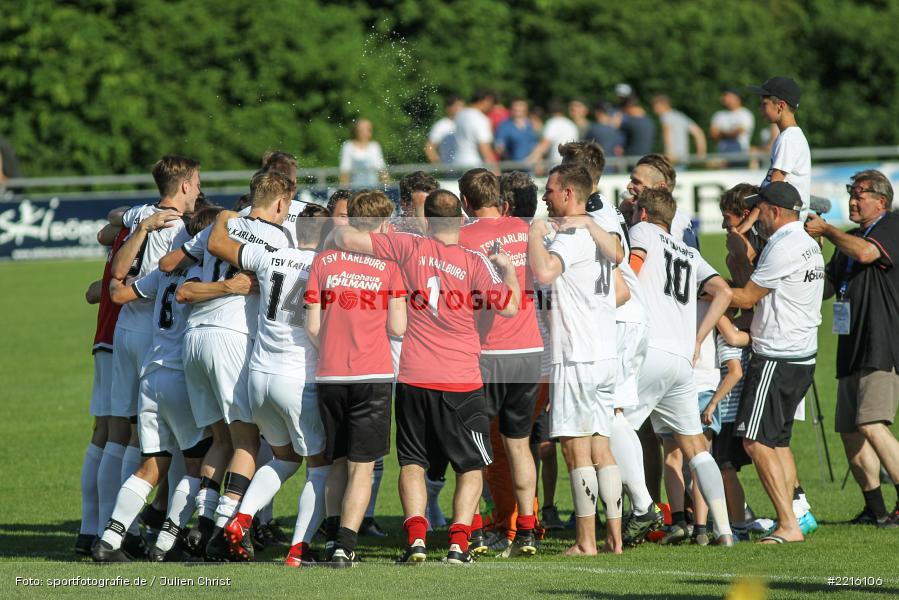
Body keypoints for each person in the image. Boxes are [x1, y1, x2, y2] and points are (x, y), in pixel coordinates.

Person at [333, 188, 520, 564]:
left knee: (413, 463)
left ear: (427, 220)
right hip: (461, 379)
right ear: (462, 220)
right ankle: (457, 544)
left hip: (414, 376)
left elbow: (347, 238)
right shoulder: (474, 260)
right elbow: (510, 308)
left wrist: (339, 219)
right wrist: (510, 271)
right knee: (470, 466)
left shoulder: (408, 246)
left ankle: (416, 540)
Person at [170, 170, 297, 560]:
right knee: (247, 440)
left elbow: (170, 263)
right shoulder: (278, 237)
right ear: (281, 203)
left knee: (220, 439)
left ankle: (202, 525)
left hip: (194, 337)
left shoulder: (222, 225)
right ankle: (223, 531)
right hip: (233, 336)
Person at [207, 204, 332, 565]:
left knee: (284, 458)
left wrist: (223, 218)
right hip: (298, 376)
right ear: (324, 236)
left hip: (260, 376)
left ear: (297, 231)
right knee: (320, 465)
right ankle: (298, 550)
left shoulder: (271, 257)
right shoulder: (324, 266)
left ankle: (241, 519)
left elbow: (220, 245)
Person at [92, 211, 218, 562]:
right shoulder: (204, 274)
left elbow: (119, 295)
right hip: (179, 378)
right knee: (198, 462)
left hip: (151, 376)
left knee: (151, 466)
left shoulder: (163, 273)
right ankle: (167, 543)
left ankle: (108, 540)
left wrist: (111, 285)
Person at [556, 141, 662, 546]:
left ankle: (642, 504)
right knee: (610, 417)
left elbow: (614, 269)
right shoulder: (602, 210)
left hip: (614, 320)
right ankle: (630, 509)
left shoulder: (591, 215)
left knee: (608, 418)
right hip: (625, 317)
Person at [624, 187, 735, 546]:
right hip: (682, 359)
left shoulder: (642, 233)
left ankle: (642, 510)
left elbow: (633, 273)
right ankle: (724, 531)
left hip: (648, 350)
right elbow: (724, 291)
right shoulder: (688, 250)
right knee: (696, 449)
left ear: (643, 214)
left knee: (613, 428)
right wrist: (699, 338)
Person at [528, 164, 627, 555]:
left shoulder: (570, 235)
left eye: (550, 191)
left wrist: (536, 235)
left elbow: (544, 270)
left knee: (574, 448)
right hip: (605, 352)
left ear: (569, 193)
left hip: (577, 355)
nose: (545, 197)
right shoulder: (596, 231)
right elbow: (620, 289)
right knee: (601, 447)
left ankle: (586, 541)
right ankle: (614, 539)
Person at [305, 190, 406, 565]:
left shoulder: (324, 262)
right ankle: (346, 546)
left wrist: (334, 344)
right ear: (381, 225)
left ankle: (332, 540)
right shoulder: (390, 267)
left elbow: (312, 325)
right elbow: (398, 327)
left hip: (330, 374)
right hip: (373, 374)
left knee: (336, 460)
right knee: (362, 467)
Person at [729, 182, 824, 544]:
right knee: (777, 440)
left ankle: (787, 524)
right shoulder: (805, 242)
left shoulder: (783, 245)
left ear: (775, 211)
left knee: (754, 440)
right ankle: (794, 518)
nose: (757, 216)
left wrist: (705, 286)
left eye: (761, 209)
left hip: (777, 355)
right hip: (801, 354)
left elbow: (748, 297)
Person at [457, 169, 544, 557]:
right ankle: (526, 530)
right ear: (502, 199)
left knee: (473, 447)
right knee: (519, 444)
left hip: (488, 351)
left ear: (465, 202)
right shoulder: (525, 230)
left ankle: (473, 532)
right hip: (529, 349)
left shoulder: (463, 237)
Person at [806, 170, 899, 527]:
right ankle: (875, 509)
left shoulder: (891, 226)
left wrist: (827, 231)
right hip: (850, 342)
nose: (854, 199)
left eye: (862, 193)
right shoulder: (850, 238)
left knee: (872, 422)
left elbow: (866, 255)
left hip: (882, 340)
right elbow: (828, 289)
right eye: (851, 192)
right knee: (849, 428)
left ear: (882, 201)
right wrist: (812, 256)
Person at [76, 222, 128, 556]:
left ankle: (88, 530)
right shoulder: (160, 231)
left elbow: (94, 292)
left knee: (103, 433)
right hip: (124, 341)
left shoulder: (128, 230)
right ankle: (112, 530)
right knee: (121, 436)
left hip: (104, 340)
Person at [748, 76, 811, 216]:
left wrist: (750, 221)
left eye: (764, 104)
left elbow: (775, 186)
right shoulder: (785, 136)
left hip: (784, 218)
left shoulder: (788, 138)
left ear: (780, 106)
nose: (760, 109)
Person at [651, 94, 707, 167]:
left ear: (662, 105)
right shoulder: (680, 116)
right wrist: (701, 153)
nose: (654, 110)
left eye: (655, 107)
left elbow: (667, 135)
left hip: (672, 158)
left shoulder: (665, 117)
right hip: (683, 157)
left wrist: (668, 154)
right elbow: (698, 132)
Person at [526, 100, 578, 171]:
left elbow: (544, 145)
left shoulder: (552, 123)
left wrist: (529, 160)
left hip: (557, 166)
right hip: (572, 165)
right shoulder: (571, 124)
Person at [453, 90, 498, 168]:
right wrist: (496, 171)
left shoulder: (460, 115)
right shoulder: (480, 118)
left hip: (457, 162)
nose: (492, 107)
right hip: (474, 165)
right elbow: (485, 147)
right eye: (492, 103)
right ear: (487, 100)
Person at [339, 118, 387, 187]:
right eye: (361, 130)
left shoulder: (374, 146)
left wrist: (386, 188)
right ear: (356, 131)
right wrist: (344, 190)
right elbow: (344, 172)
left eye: (368, 130)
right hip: (354, 189)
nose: (364, 132)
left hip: (372, 188)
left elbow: (382, 170)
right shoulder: (348, 146)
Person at [710, 88, 755, 154]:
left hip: (741, 154)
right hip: (721, 154)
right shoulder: (718, 115)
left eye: (729, 96)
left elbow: (739, 132)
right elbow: (713, 134)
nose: (725, 98)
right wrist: (731, 133)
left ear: (737, 99)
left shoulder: (745, 114)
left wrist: (721, 133)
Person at [494, 99, 539, 164]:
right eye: (515, 109)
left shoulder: (531, 125)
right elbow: (499, 147)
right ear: (511, 110)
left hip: (531, 168)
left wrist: (538, 160)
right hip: (512, 169)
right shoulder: (504, 126)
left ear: (526, 111)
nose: (518, 111)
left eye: (521, 109)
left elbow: (537, 145)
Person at [424, 94, 464, 165]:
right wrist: (440, 166)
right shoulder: (441, 125)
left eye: (462, 106)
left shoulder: (465, 124)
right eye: (458, 106)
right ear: (448, 108)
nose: (461, 109)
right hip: (451, 172)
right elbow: (429, 148)